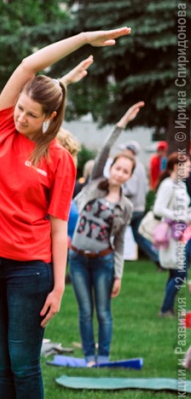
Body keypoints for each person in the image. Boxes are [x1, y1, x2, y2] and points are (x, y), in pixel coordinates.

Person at [0, 26, 129, 399]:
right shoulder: (0, 125)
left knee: (24, 364)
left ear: (49, 119)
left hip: (29, 271)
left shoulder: (59, 158)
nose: (20, 116)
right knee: (0, 363)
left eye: (30, 113)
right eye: (19, 107)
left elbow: (60, 228)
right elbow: (28, 66)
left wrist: (58, 285)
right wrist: (83, 37)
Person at [69, 103, 141, 365]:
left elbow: (120, 242)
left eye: (126, 171)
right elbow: (105, 149)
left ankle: (104, 356)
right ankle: (89, 357)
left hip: (103, 261)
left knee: (103, 312)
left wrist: (118, 274)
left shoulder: (126, 205)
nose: (120, 173)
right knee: (85, 311)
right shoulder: (94, 184)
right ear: (111, 168)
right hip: (77, 258)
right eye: (117, 168)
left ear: (129, 176)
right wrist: (123, 121)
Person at [155, 153, 191, 316]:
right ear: (177, 166)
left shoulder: (181, 185)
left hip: (182, 233)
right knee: (180, 272)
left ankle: (167, 307)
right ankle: (165, 308)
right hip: (172, 234)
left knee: (176, 271)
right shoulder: (168, 185)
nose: (189, 170)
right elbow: (158, 208)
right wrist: (182, 216)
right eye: (188, 166)